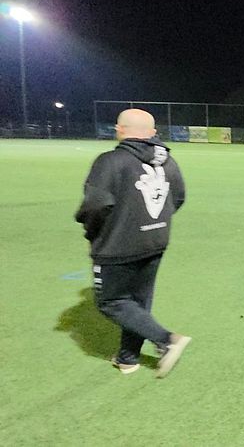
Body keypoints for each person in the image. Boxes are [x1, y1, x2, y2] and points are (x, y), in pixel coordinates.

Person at [75, 109, 191, 377]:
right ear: (153, 133)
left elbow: (95, 205)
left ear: (119, 129)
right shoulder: (168, 161)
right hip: (155, 240)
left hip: (117, 245)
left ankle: (167, 340)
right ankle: (128, 359)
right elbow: (178, 197)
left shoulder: (111, 161)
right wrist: (153, 222)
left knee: (111, 302)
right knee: (138, 303)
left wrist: (94, 233)